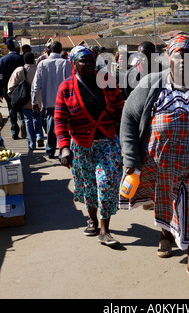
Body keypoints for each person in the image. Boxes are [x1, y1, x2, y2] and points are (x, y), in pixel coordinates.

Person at [119, 34, 189, 285]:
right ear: (169, 57)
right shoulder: (151, 84)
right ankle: (166, 234)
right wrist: (131, 160)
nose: (183, 60)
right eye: (179, 54)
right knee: (167, 202)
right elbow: (129, 117)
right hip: (162, 162)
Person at [54, 45, 124, 246]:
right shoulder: (66, 88)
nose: (88, 64)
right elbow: (59, 119)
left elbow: (120, 109)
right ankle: (92, 220)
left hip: (107, 142)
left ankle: (105, 229)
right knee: (88, 186)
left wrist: (128, 138)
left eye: (91, 60)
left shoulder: (107, 81)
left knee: (107, 182)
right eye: (83, 61)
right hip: (80, 144)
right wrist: (64, 147)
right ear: (73, 64)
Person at [31, 41, 72, 158]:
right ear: (60, 50)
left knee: (50, 127)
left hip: (49, 102)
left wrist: (34, 102)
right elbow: (70, 83)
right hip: (64, 103)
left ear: (50, 50)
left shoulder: (42, 64)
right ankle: (62, 151)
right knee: (64, 127)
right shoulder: (66, 63)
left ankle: (50, 150)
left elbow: (36, 85)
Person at [7, 52, 44, 151]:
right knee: (37, 117)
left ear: (24, 60)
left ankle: (32, 144)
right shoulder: (39, 69)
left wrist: (14, 98)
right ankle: (39, 136)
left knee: (28, 120)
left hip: (25, 101)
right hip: (38, 100)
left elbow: (10, 87)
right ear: (34, 60)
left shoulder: (20, 70)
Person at [0, 38, 26, 139]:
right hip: (21, 89)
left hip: (7, 90)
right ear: (16, 48)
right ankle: (23, 124)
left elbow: (0, 77)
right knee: (22, 109)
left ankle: (14, 131)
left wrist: (0, 91)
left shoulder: (2, 60)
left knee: (11, 110)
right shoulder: (21, 59)